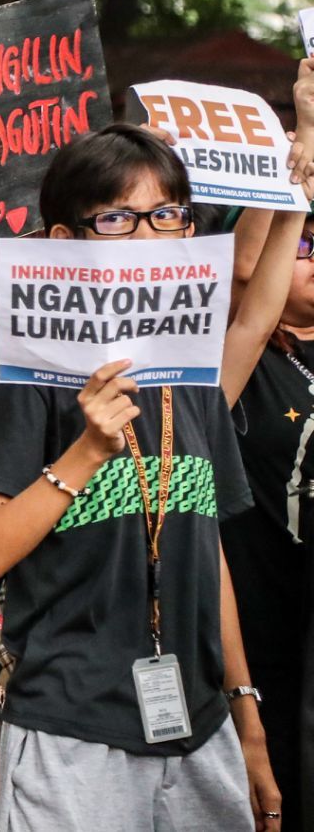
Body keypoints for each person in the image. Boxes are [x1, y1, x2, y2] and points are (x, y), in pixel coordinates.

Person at [0, 123, 280, 832]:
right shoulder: (32, 380)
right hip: (74, 732)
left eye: (167, 216)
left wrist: (246, 716)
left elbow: (209, 552)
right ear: (66, 242)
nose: (149, 237)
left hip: (199, 725)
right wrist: (87, 451)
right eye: (117, 219)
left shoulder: (191, 377)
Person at [221, 58, 314, 832]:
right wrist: (301, 147)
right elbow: (251, 272)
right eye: (307, 245)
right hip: (258, 625)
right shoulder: (244, 360)